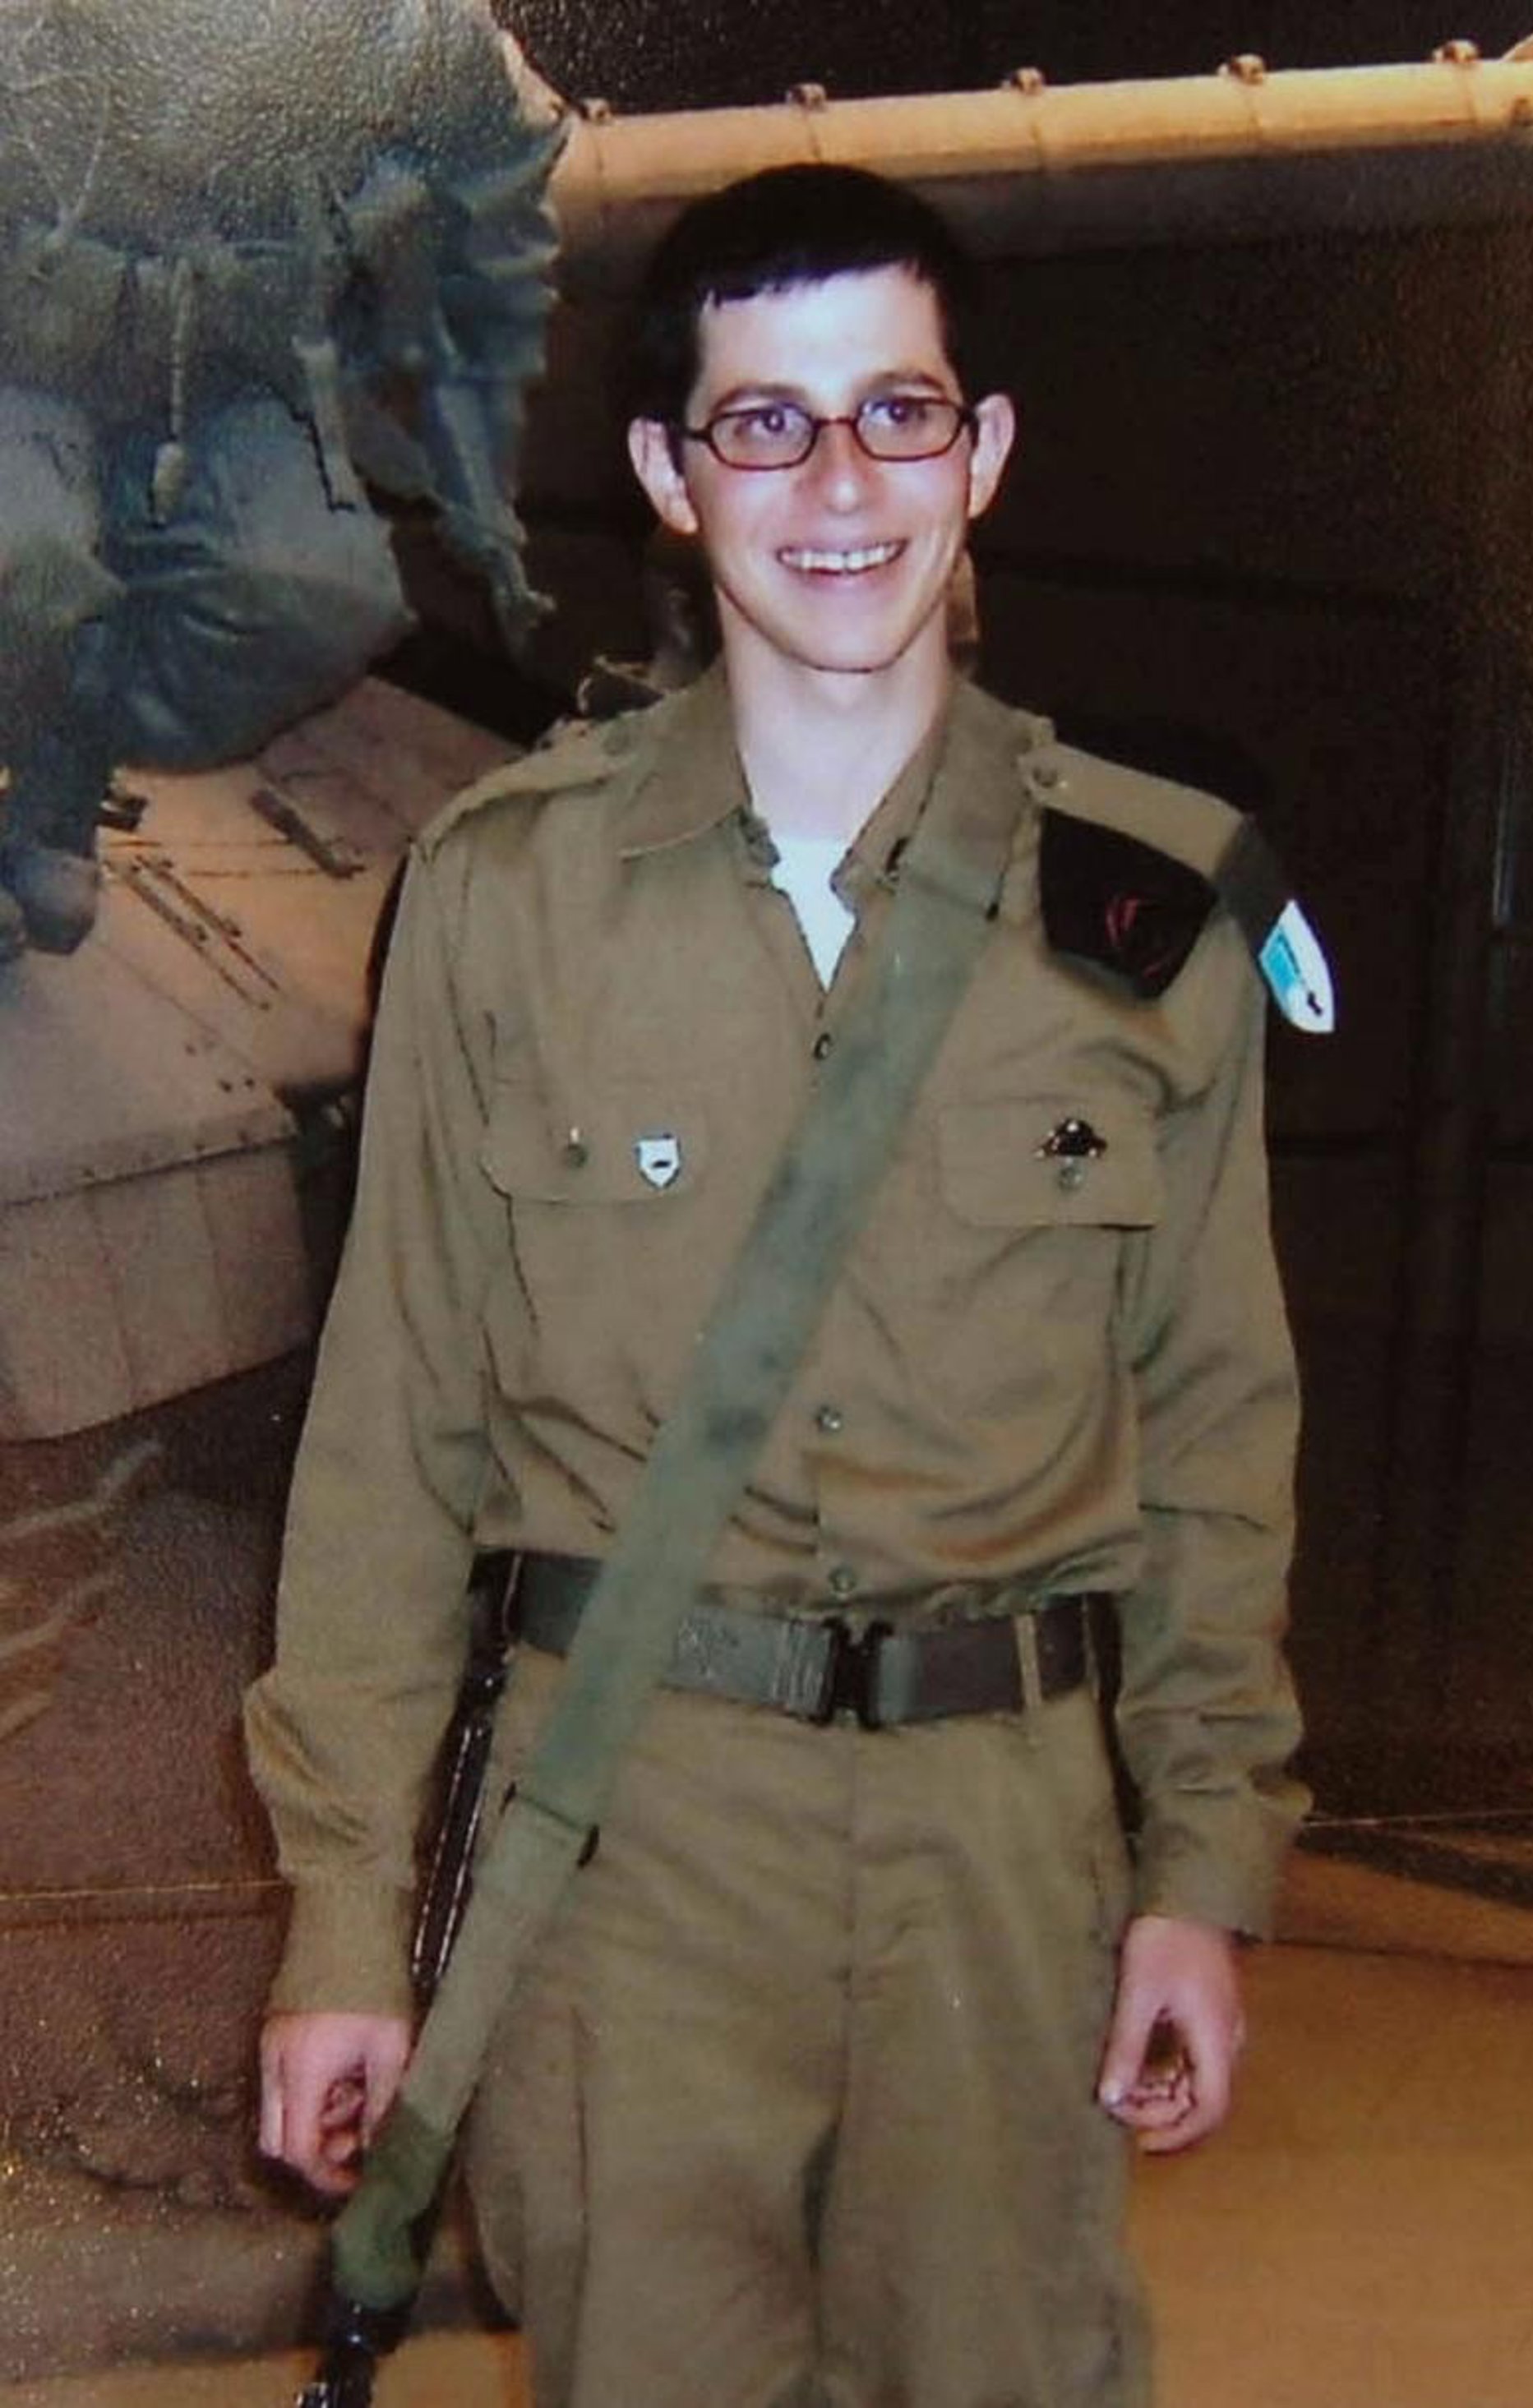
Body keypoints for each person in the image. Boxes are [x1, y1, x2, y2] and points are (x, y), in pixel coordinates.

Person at [247, 163, 1308, 2408]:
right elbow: (394, 1436)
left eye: (896, 414)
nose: (840, 487)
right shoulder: (508, 897)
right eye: (767, 423)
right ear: (670, 474)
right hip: (635, 1843)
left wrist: (1202, 1862)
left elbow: (1216, 1429)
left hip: (1006, 1849)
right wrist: (344, 1919)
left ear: (982, 450)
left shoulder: (1145, 904)